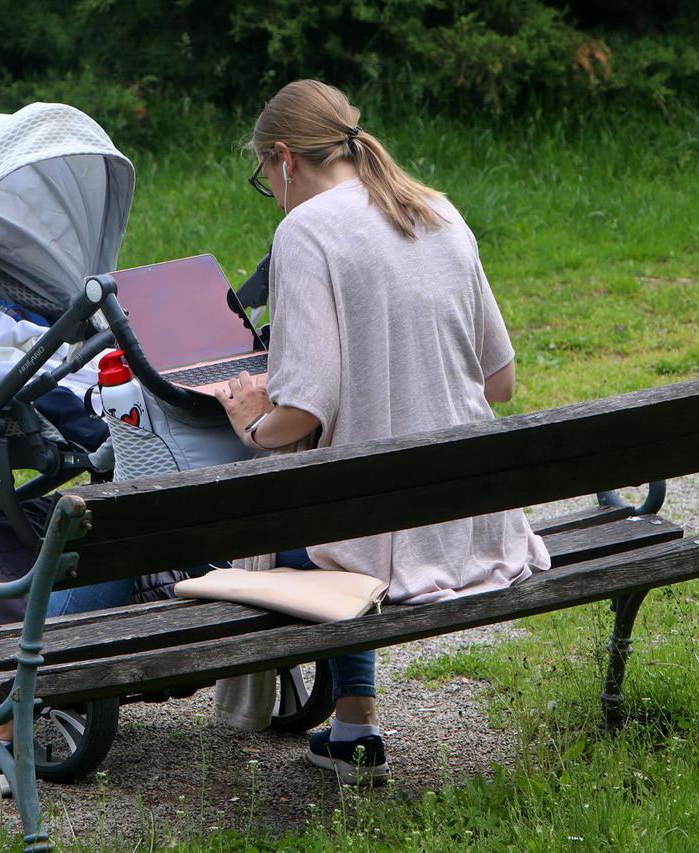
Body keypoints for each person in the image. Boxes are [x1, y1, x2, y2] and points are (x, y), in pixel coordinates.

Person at [213, 79, 550, 784]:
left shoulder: (304, 232)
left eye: (265, 178)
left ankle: (12, 691)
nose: (272, 193)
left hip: (386, 553)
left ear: (284, 159)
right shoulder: (439, 211)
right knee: (345, 502)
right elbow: (500, 382)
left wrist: (249, 417)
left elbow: (301, 416)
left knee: (261, 516)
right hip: (479, 530)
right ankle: (353, 725)